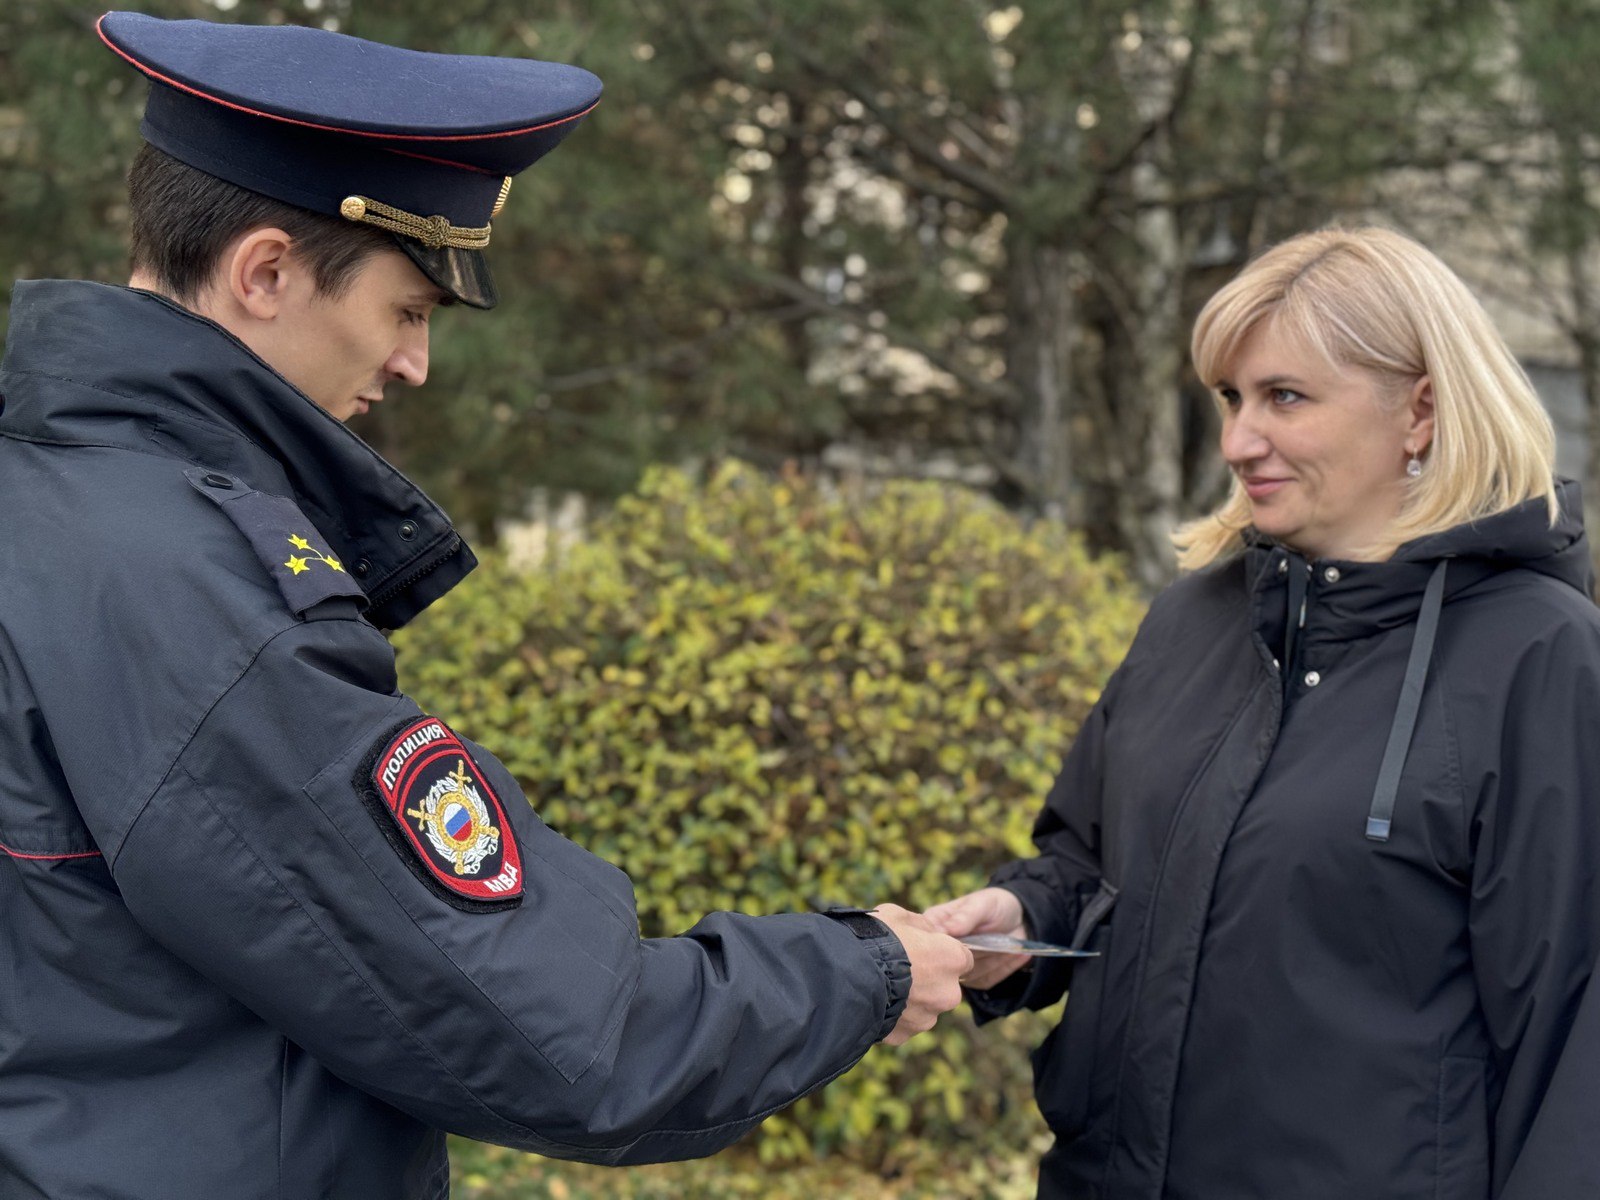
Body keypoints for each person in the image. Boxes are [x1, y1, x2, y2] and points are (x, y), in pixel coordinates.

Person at [0, 12, 972, 1198]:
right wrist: (863, 969)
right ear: (265, 273)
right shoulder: (197, 593)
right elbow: (552, 1028)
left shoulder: (46, 506)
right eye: (408, 308)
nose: (416, 363)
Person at [928, 226, 1600, 1199]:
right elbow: (1090, 863)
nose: (1239, 442)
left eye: (1285, 397)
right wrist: (1023, 917)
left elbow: (1572, 1037)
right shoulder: (1193, 618)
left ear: (1419, 408)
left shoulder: (1540, 654)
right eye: (1231, 399)